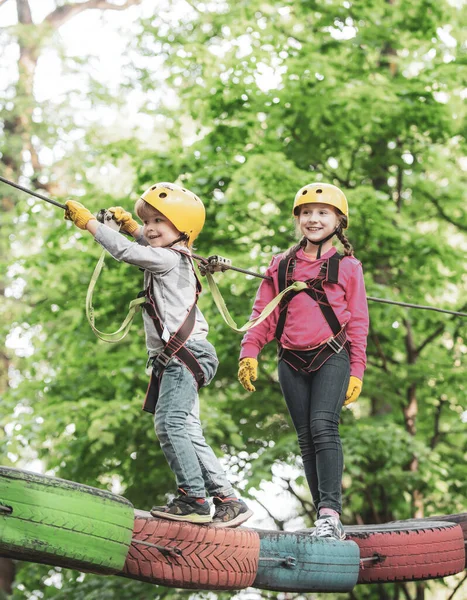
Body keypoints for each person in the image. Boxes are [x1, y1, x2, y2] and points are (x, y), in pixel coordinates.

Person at [64, 182, 252, 528]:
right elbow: (146, 245)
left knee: (170, 423)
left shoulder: (167, 259)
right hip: (181, 357)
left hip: (185, 355)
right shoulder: (171, 256)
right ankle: (228, 499)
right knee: (188, 430)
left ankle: (194, 498)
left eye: (158, 222)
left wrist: (90, 224)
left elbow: (128, 252)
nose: (150, 229)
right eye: (147, 221)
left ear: (183, 229)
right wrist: (133, 227)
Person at [238, 182, 369, 540]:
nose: (313, 219)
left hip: (333, 355)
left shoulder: (347, 267)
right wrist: (250, 351)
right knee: (306, 438)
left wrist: (357, 369)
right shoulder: (281, 266)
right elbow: (262, 312)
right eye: (306, 212)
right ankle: (322, 518)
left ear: (339, 220)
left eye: (322, 212)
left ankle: (330, 513)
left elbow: (358, 321)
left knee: (323, 426)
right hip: (290, 359)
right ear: (298, 220)